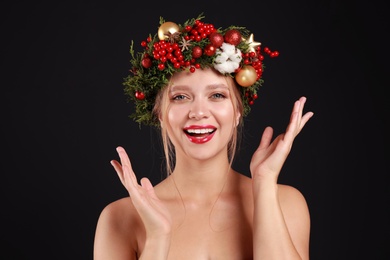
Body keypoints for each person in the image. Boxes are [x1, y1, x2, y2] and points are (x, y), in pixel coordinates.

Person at [94, 13, 314, 259]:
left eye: (217, 95)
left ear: (238, 111)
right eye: (180, 97)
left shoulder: (285, 203)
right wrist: (158, 237)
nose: (198, 112)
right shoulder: (120, 218)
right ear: (159, 114)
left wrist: (264, 184)